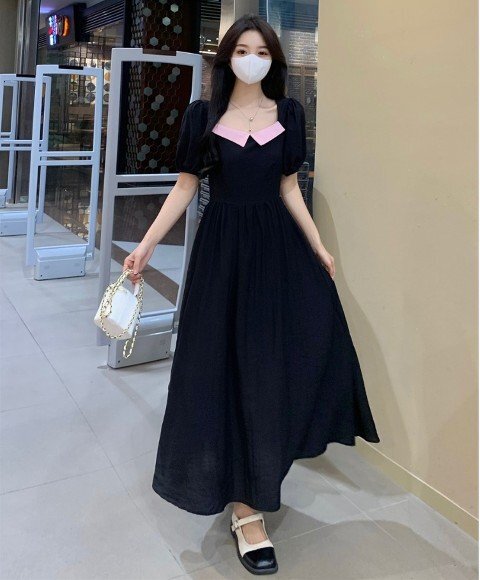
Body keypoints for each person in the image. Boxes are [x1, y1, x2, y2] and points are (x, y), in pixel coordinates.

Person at [123, 13, 380, 576]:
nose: (252, 60)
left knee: (278, 362)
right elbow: (185, 186)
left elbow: (289, 187)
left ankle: (259, 480)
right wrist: (144, 247)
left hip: (277, 252)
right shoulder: (202, 116)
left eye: (262, 52)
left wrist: (318, 245)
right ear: (227, 58)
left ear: (274, 61)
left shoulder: (288, 114)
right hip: (222, 254)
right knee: (221, 368)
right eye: (242, 50)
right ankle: (243, 506)